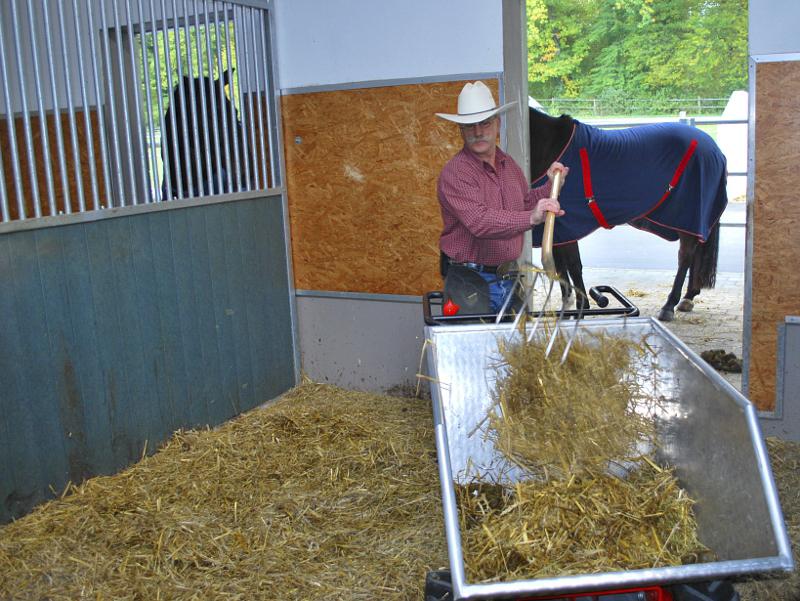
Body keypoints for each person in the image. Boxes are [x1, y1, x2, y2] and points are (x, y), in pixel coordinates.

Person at [435, 80, 567, 313]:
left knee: (515, 347)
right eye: (470, 126)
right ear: (460, 131)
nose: (478, 132)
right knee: (473, 348)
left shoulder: (508, 164)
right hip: (469, 281)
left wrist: (550, 187)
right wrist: (531, 218)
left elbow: (524, 203)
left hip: (508, 277)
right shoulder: (456, 173)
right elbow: (480, 222)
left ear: (497, 123)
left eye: (484, 123)